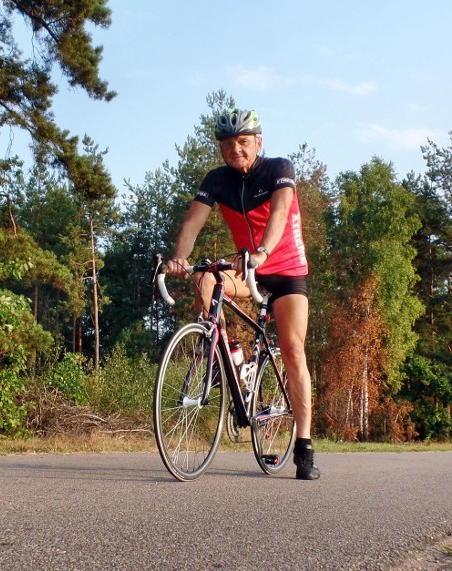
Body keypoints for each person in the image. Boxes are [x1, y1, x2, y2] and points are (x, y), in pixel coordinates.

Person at [167, 108, 320, 480]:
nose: (235, 148)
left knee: (292, 349)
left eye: (243, 142)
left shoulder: (278, 168)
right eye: (228, 143)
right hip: (246, 269)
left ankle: (304, 445)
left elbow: (280, 212)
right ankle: (228, 357)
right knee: (205, 280)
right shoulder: (217, 180)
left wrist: (265, 251)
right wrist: (179, 259)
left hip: (284, 272)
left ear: (258, 142)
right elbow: (193, 222)